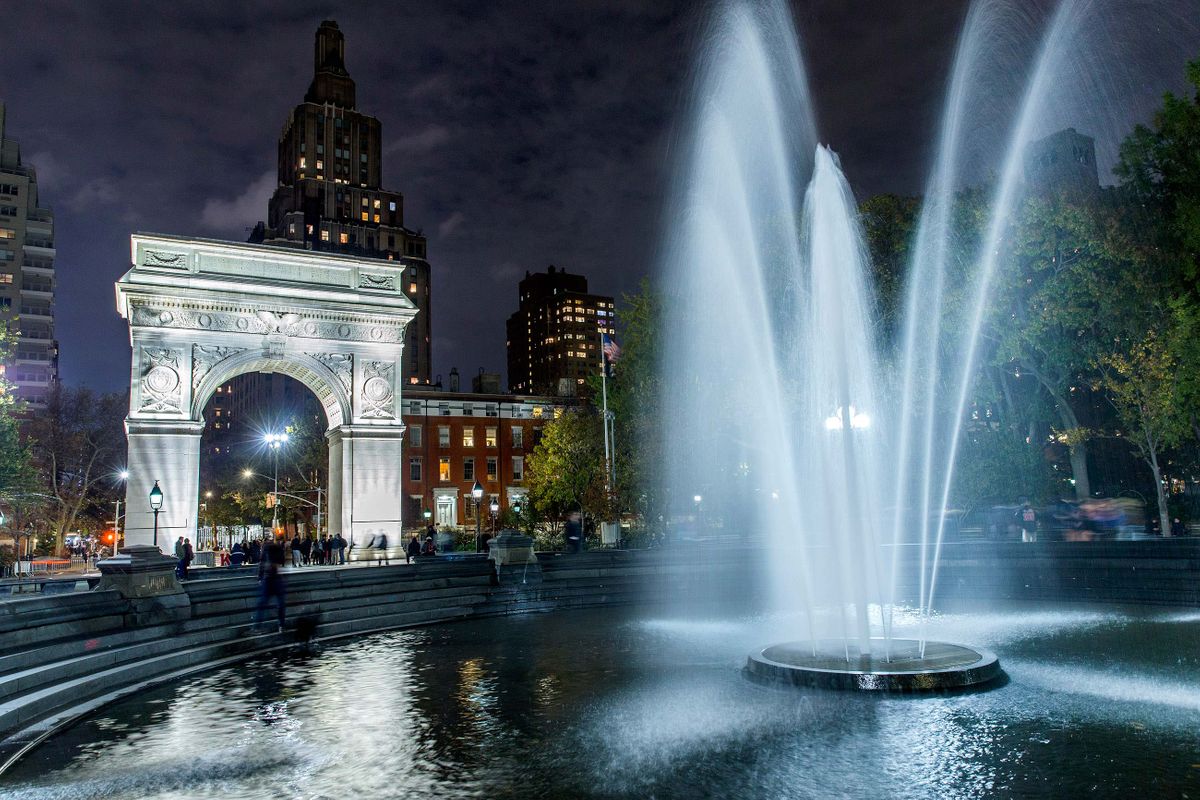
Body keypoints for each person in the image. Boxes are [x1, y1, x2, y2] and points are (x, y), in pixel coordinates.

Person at [253, 537, 287, 633]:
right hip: (276, 580)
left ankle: (257, 626)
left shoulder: (266, 550)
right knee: (280, 604)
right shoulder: (276, 549)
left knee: (262, 603)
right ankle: (281, 625)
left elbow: (261, 564)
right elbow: (282, 562)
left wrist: (260, 578)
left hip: (268, 580)